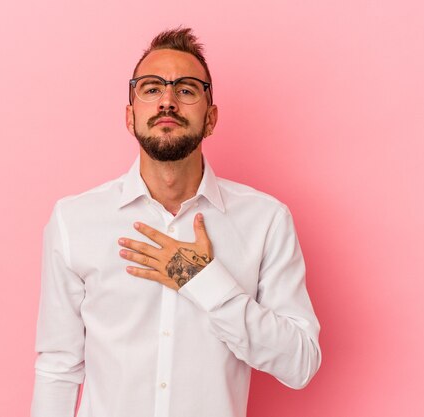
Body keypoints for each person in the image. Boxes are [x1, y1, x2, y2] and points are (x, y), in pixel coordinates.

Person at [31, 27, 321, 417]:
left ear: (211, 117)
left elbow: (300, 364)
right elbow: (58, 367)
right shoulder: (74, 220)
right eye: (151, 89)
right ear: (130, 114)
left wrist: (205, 280)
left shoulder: (266, 220)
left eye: (186, 90)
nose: (167, 101)